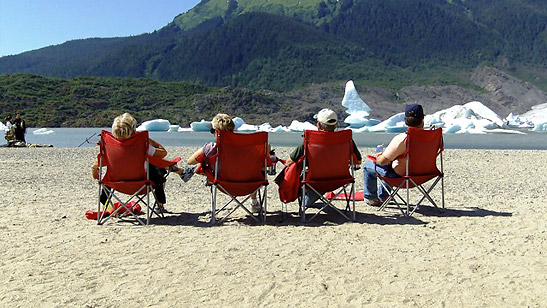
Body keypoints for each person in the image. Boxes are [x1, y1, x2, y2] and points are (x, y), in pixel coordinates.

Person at [91, 113, 180, 213]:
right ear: (133, 129)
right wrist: (148, 141)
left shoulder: (109, 146)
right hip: (141, 184)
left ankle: (104, 208)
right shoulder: (141, 145)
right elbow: (163, 153)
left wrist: (94, 168)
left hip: (115, 184)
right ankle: (159, 206)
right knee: (159, 171)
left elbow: (101, 162)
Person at [185, 113, 265, 212]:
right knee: (254, 169)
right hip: (250, 185)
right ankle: (254, 203)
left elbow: (190, 161)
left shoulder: (211, 148)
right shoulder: (250, 148)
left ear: (216, 132)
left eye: (212, 131)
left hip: (224, 185)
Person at [284, 108, 362, 208]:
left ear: (319, 125)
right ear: (336, 125)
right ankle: (308, 201)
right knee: (325, 174)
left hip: (314, 181)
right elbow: (358, 161)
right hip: (341, 179)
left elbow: (289, 162)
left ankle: (305, 203)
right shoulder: (347, 140)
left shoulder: (310, 141)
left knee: (300, 173)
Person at [363, 104, 425, 206]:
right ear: (422, 119)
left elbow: (382, 161)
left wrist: (379, 154)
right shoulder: (432, 138)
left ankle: (371, 198)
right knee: (392, 165)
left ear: (406, 121)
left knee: (368, 166)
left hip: (403, 177)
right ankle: (383, 195)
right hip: (423, 174)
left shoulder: (402, 139)